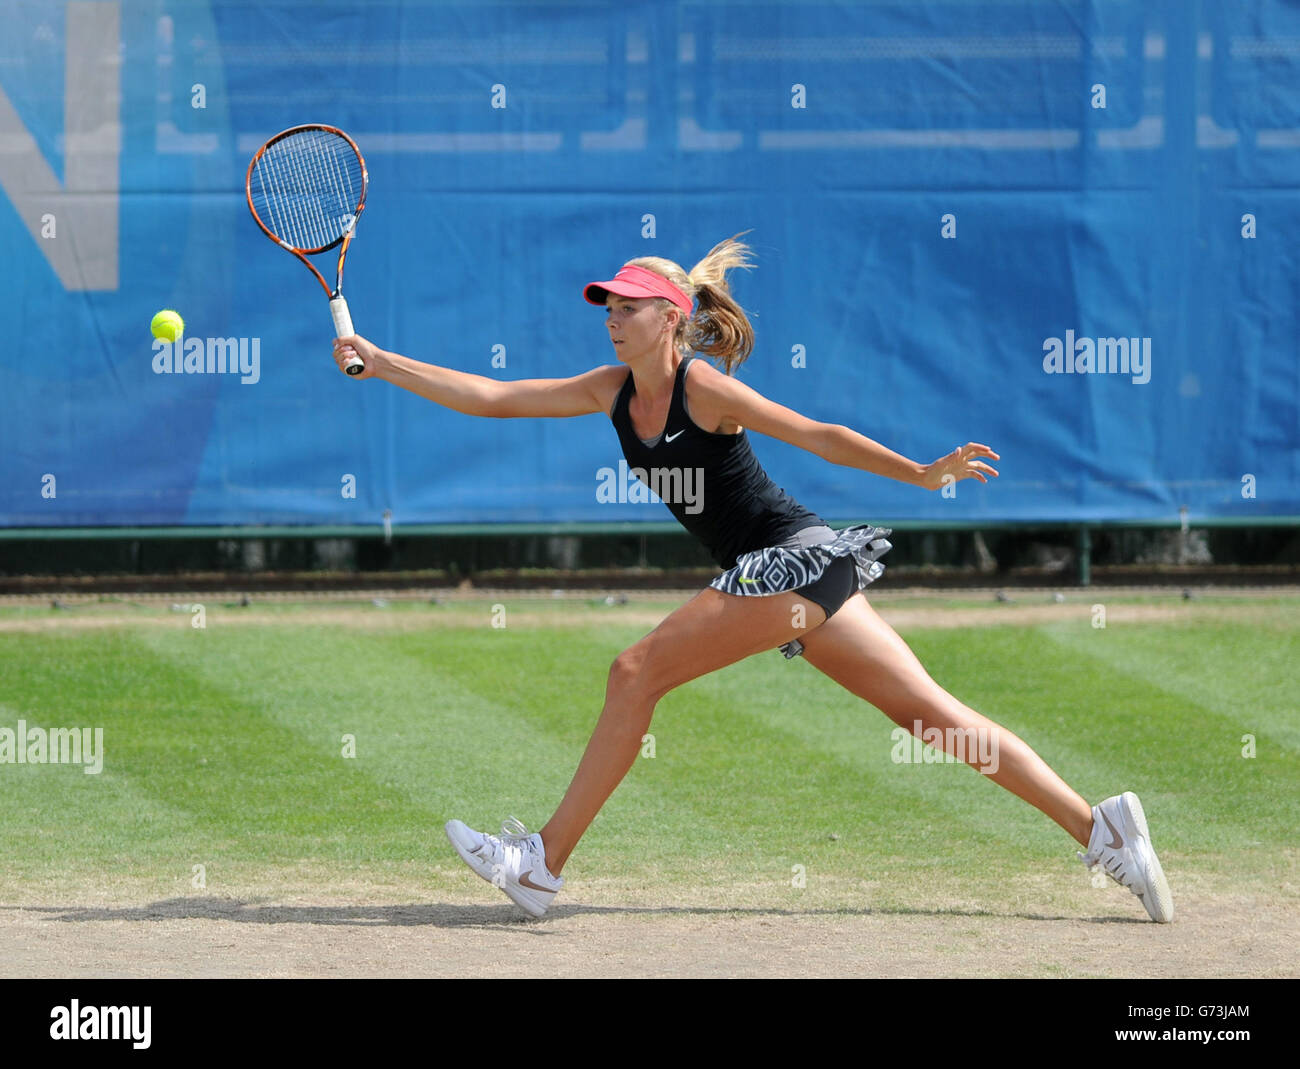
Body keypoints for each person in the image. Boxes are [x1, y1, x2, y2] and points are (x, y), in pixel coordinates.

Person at [331, 235, 1174, 924]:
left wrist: (921, 473)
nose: (612, 319)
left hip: (792, 557)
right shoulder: (613, 391)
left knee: (636, 669)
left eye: (627, 307)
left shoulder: (704, 387)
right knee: (930, 716)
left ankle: (541, 863)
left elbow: (818, 431)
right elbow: (492, 396)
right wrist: (381, 360)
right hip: (790, 572)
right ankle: (1098, 827)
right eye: (608, 306)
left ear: (671, 317)